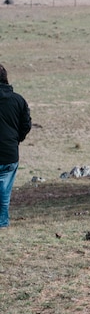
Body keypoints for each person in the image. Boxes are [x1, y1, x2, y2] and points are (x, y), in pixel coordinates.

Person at [0, 64, 32, 228]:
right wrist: (16, 139)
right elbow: (26, 124)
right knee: (4, 191)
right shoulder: (18, 100)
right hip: (9, 152)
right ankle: (2, 222)